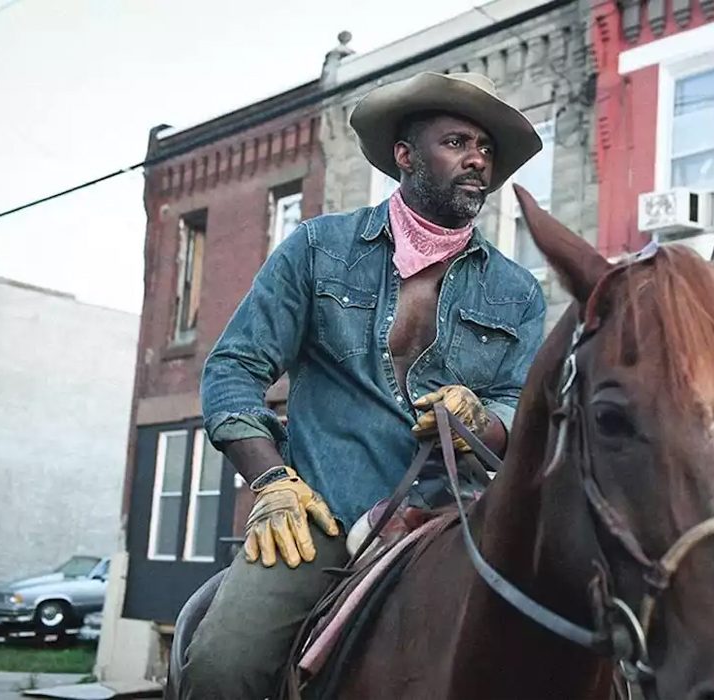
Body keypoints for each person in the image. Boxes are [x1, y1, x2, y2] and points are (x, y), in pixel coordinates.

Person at [181, 72, 547, 699]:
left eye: (486, 150)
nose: (477, 161)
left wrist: (479, 418)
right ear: (405, 156)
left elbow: (519, 409)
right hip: (319, 514)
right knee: (222, 664)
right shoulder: (318, 248)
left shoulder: (519, 293)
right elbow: (233, 370)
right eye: (457, 142)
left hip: (454, 521)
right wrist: (271, 482)